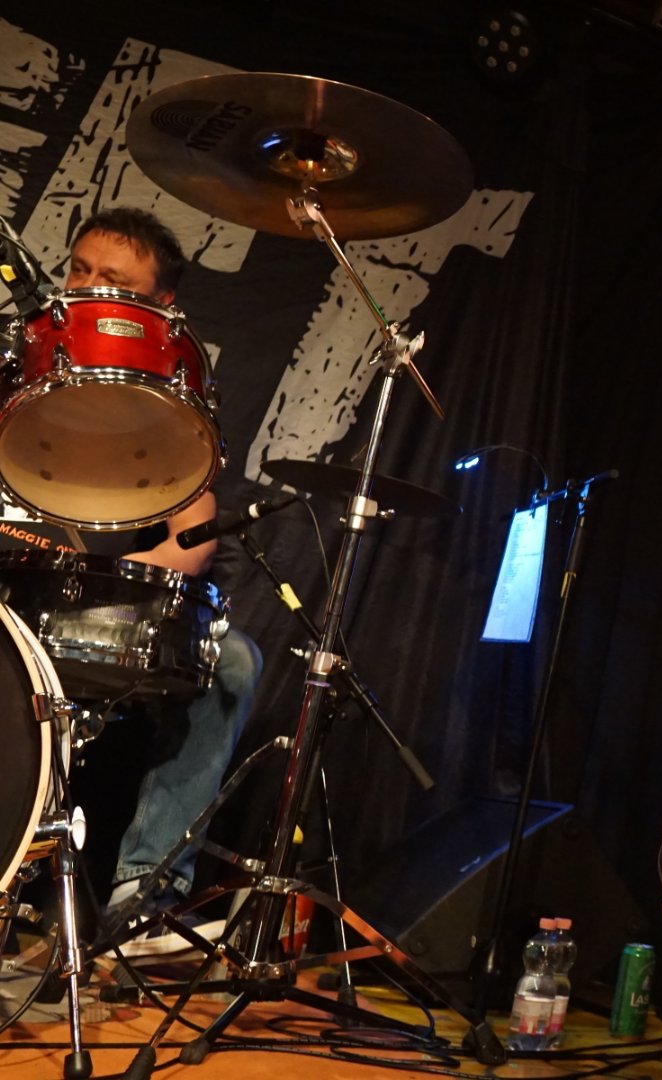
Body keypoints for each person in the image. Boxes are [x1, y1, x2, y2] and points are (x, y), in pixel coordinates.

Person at [0, 208, 260, 956]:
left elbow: (192, 544)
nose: (88, 288)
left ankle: (145, 902)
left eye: (113, 281)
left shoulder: (164, 419)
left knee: (232, 663)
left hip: (92, 611)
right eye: (80, 271)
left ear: (159, 309)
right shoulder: (19, 372)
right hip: (7, 604)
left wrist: (109, 570)